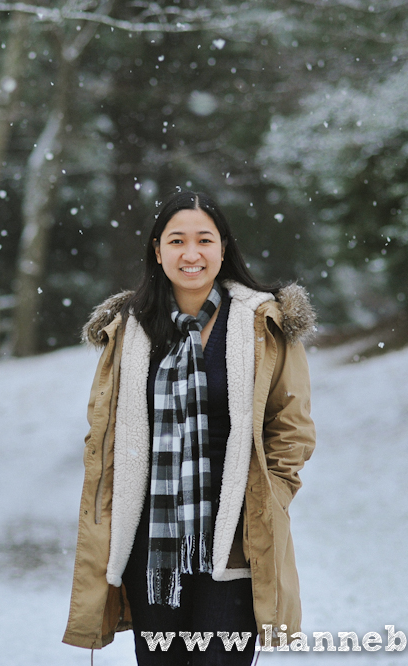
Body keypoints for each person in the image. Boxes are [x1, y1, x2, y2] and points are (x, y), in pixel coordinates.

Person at [63, 191, 317, 665]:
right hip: (151, 548)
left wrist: (270, 496)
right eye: (177, 241)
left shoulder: (265, 324)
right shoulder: (130, 329)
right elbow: (106, 436)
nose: (192, 253)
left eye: (204, 240)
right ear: (157, 252)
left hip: (234, 546)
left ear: (224, 248)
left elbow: (292, 428)